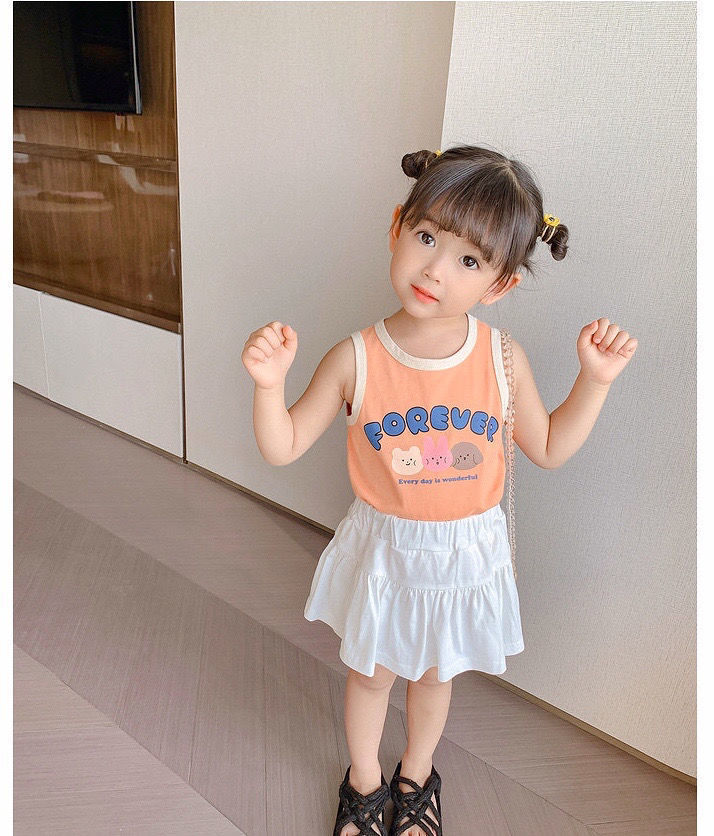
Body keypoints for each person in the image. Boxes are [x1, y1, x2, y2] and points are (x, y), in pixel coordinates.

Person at [242, 144, 638, 836]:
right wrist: (269, 387)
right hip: (387, 551)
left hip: (463, 554)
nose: (435, 270)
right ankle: (363, 783)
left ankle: (416, 776)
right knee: (372, 677)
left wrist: (595, 381)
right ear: (397, 227)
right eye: (427, 237)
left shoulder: (502, 359)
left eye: (469, 260)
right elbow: (283, 446)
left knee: (435, 676)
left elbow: (548, 447)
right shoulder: (356, 357)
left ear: (500, 284)